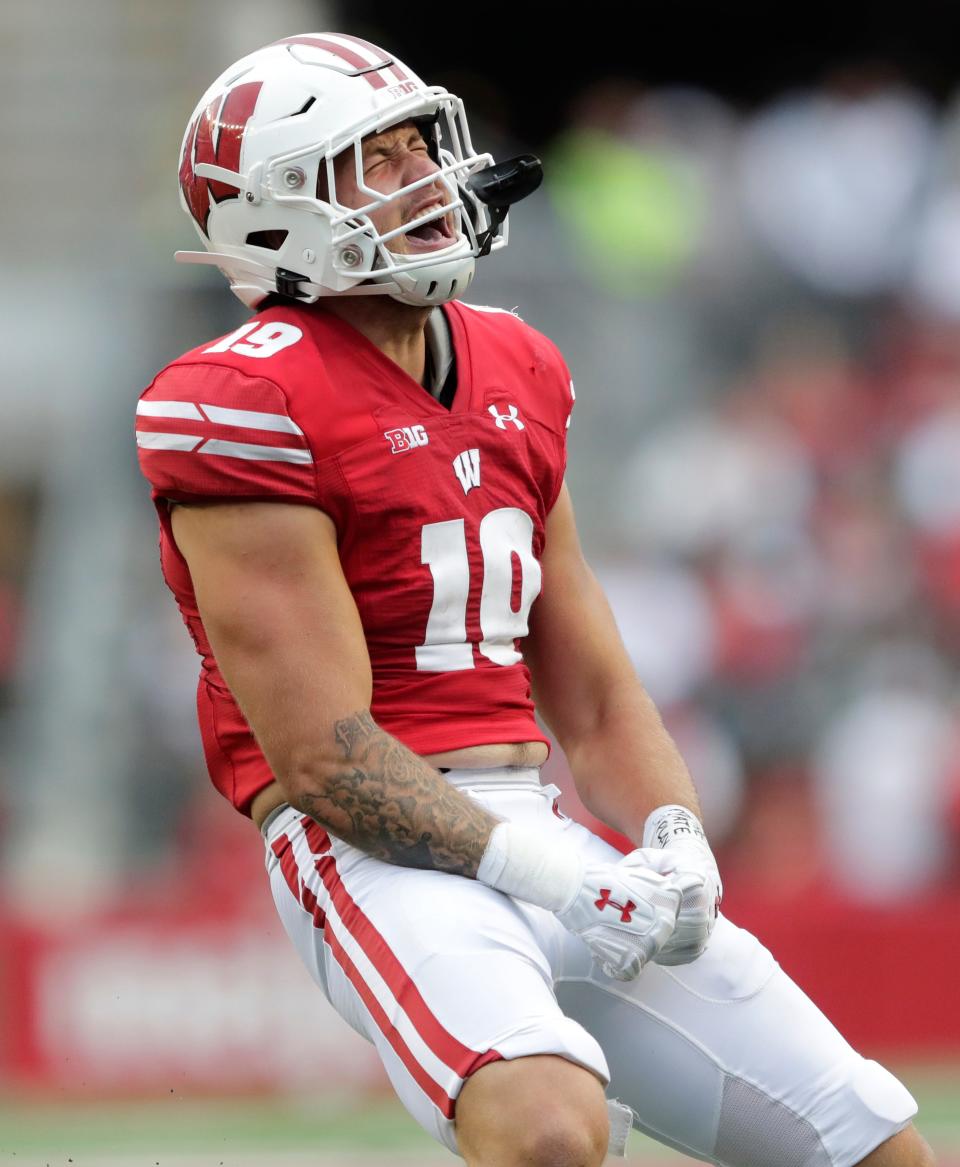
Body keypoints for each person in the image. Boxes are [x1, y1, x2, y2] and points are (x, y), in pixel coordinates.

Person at [136, 33, 934, 1167]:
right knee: (549, 1132)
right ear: (274, 210)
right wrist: (564, 880)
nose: (425, 179)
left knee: (876, 1151)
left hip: (541, 826)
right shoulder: (240, 399)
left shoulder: (516, 364)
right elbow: (326, 759)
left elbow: (598, 696)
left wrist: (674, 841)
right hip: (374, 850)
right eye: (375, 161)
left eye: (420, 147)